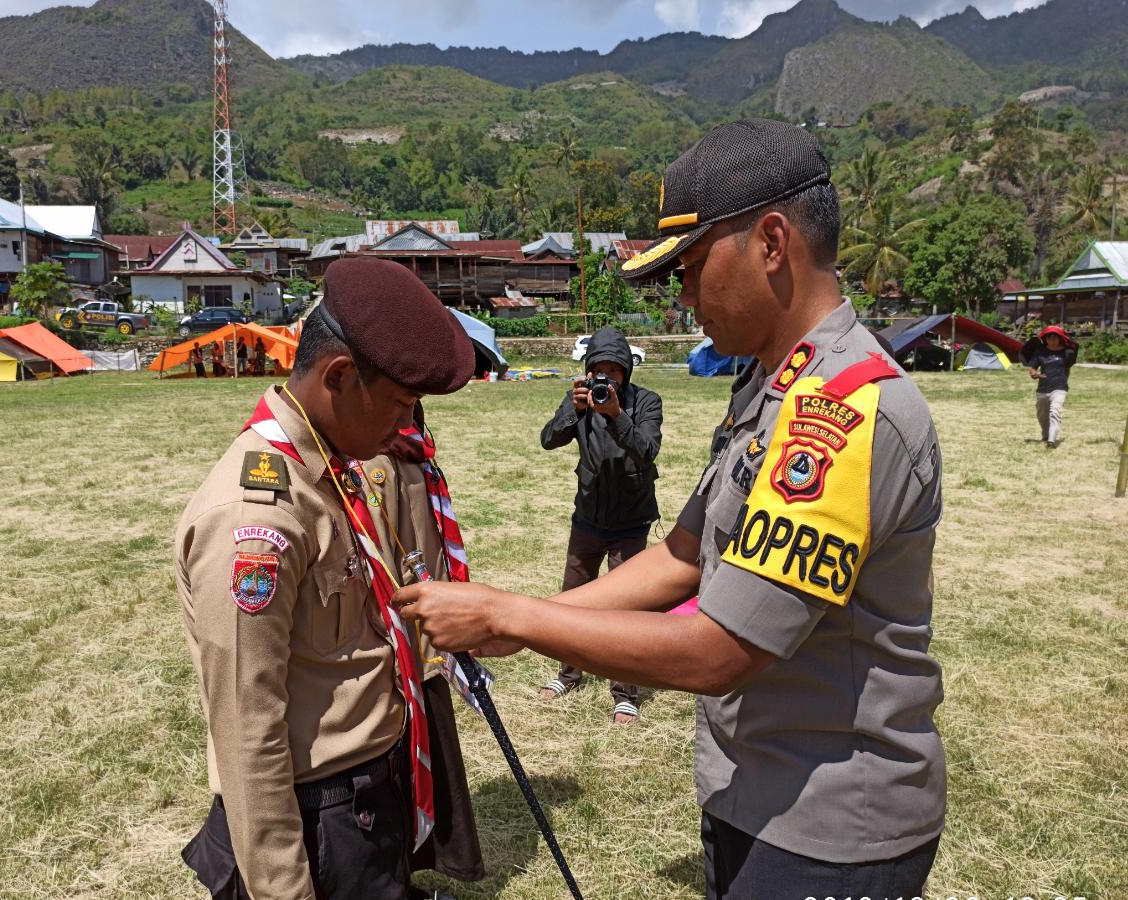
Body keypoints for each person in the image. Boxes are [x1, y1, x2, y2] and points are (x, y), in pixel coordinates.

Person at [395, 119, 946, 900]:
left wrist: (511, 621)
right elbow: (683, 556)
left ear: (771, 243)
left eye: (689, 268)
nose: (683, 298)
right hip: (760, 790)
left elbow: (721, 650)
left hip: (830, 828)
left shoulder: (842, 413)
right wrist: (525, 616)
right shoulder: (772, 387)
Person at [175, 257, 483, 900]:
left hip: (368, 795)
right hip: (320, 817)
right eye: (401, 404)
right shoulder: (257, 518)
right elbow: (247, 729)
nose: (406, 428)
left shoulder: (334, 467)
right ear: (339, 376)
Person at [537, 327, 662, 724]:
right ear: (589, 372)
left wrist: (617, 417)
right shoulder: (580, 402)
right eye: (599, 370)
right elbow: (548, 440)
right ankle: (568, 674)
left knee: (626, 608)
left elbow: (647, 450)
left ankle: (625, 691)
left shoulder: (646, 402)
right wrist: (570, 411)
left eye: (614, 370)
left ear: (626, 371)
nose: (606, 378)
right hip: (588, 517)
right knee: (574, 599)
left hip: (631, 519)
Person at [1023, 325, 1077, 448]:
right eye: (1049, 338)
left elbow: (1067, 368)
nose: (1052, 340)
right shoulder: (1040, 352)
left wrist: (1064, 381)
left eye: (1054, 338)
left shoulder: (1067, 352)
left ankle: (1051, 440)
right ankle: (1046, 435)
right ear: (1045, 339)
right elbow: (1032, 368)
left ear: (1059, 339)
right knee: (1042, 414)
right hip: (1043, 388)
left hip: (1060, 387)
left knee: (1055, 412)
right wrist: (1034, 374)